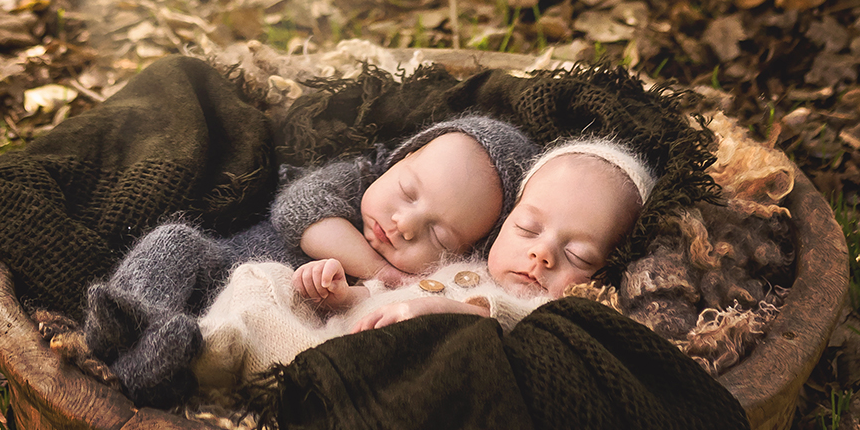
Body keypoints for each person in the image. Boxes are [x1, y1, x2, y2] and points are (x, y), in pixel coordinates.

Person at [81, 112, 535, 405]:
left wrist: (354, 291)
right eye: (407, 191)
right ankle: (126, 321)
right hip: (218, 269)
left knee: (208, 346)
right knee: (173, 242)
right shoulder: (357, 179)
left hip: (254, 328)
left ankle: (149, 364)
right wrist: (381, 269)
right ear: (400, 160)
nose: (404, 223)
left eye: (437, 233)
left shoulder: (417, 291)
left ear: (461, 254)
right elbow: (299, 211)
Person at [191, 132, 659, 389]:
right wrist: (339, 292)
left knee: (298, 359)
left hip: (363, 378)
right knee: (262, 276)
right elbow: (380, 295)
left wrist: (453, 312)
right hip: (328, 337)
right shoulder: (460, 265)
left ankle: (236, 363)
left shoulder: (548, 311)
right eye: (527, 229)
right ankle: (220, 343)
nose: (542, 254)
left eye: (577, 254)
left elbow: (514, 321)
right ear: (505, 221)